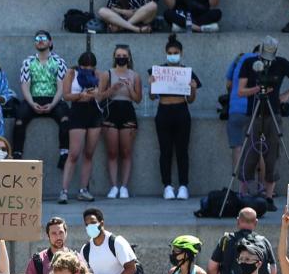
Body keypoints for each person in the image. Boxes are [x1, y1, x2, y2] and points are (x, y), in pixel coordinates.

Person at [235, 35, 289, 203]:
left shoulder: (281, 63)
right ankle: (243, 193)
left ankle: (269, 196)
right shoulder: (249, 63)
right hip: (254, 112)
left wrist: (286, 95)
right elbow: (240, 91)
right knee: (250, 151)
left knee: (273, 154)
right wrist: (258, 89)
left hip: (273, 112)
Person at [149, 37, 200, 200]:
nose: (173, 55)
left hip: (181, 110)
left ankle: (184, 185)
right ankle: (167, 185)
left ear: (181, 53)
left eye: (176, 53)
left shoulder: (187, 72)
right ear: (166, 54)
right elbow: (152, 96)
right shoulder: (158, 71)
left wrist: (193, 89)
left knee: (182, 150)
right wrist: (151, 84)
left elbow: (191, 100)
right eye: (170, 53)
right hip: (163, 110)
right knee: (165, 151)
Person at [13, 31, 70, 165]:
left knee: (65, 118)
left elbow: (61, 87)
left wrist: (53, 104)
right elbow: (25, 86)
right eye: (37, 38)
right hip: (33, 98)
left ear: (50, 42)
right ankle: (17, 153)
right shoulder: (28, 62)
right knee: (19, 119)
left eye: (43, 38)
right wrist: (32, 103)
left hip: (53, 98)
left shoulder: (59, 62)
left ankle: (64, 153)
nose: (40, 40)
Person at [60, 51, 107, 204]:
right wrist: (80, 95)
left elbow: (101, 95)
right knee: (73, 153)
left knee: (89, 153)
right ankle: (64, 190)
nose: (87, 69)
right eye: (84, 66)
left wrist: (95, 94)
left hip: (93, 113)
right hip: (77, 111)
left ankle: (83, 189)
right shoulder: (71, 73)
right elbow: (66, 95)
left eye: (90, 67)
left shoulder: (99, 74)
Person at [102, 45, 141, 199]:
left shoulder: (135, 75)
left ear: (129, 57)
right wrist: (111, 89)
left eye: (124, 55)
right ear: (114, 57)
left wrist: (130, 88)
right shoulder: (107, 74)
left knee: (126, 152)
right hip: (111, 112)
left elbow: (138, 99)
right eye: (118, 55)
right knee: (112, 152)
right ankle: (113, 186)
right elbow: (99, 96)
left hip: (127, 111)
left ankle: (124, 186)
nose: (121, 57)